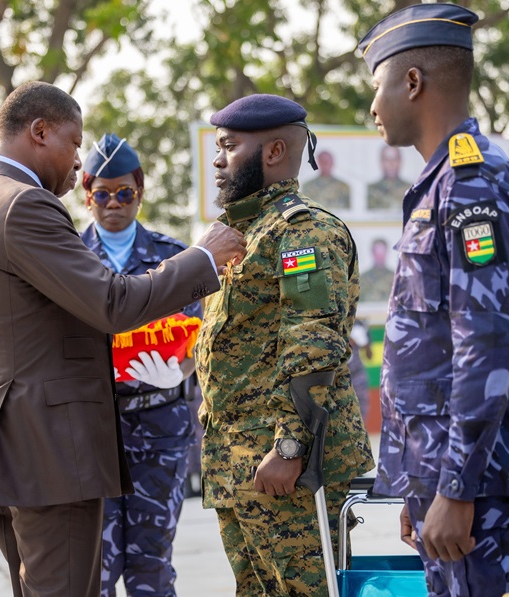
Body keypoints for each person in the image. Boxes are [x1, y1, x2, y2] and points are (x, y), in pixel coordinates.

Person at [0, 81, 246, 597]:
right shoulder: (25, 206)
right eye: (73, 142)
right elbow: (112, 304)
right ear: (39, 132)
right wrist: (202, 257)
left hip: (6, 441)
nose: (77, 157)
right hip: (46, 448)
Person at [359, 4, 509, 596]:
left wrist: (456, 490)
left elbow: (485, 346)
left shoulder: (471, 183)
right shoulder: (444, 181)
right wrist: (424, 484)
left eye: (377, 87)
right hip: (450, 482)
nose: (372, 107)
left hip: (478, 490)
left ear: (411, 82)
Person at [195, 92, 374, 595]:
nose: (217, 159)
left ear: (273, 153)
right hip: (240, 466)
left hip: (284, 469)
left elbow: (312, 343)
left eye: (229, 146)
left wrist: (291, 445)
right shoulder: (242, 233)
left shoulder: (302, 233)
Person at [79, 132, 201, 596]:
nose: (114, 203)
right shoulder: (66, 256)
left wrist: (181, 371)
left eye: (124, 192)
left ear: (140, 193)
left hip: (160, 422)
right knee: (99, 569)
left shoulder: (173, 257)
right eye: (103, 193)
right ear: (87, 195)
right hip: (92, 427)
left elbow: (199, 338)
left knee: (151, 565)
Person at [366, 145, 412, 210]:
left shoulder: (411, 189)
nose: (391, 163)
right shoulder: (370, 189)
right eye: (387, 160)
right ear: (381, 162)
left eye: (394, 159)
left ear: (400, 161)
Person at [348, 318, 373, 423]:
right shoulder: (336, 322)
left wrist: (364, 340)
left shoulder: (357, 324)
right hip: (339, 375)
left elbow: (369, 356)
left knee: (362, 407)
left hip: (357, 374)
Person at [360, 238, 395, 303]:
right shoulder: (363, 278)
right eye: (377, 252)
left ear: (386, 253)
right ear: (372, 253)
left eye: (382, 252)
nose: (380, 256)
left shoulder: (395, 278)